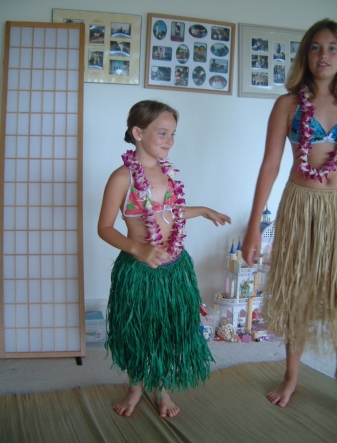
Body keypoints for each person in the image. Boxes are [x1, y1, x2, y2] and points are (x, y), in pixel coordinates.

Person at [98, 100, 231, 418]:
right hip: (140, 270)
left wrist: (201, 210)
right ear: (138, 133)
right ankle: (135, 387)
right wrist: (137, 248)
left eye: (173, 134)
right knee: (140, 332)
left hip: (175, 269)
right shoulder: (122, 178)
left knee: (170, 331)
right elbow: (104, 228)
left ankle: (163, 389)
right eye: (162, 132)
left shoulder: (167, 173)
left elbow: (169, 213)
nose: (169, 140)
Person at [242, 18, 337, 408]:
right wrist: (253, 227)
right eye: (315, 47)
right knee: (298, 293)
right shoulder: (288, 104)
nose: (324, 55)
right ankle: (291, 376)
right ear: (304, 55)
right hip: (299, 205)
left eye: (333, 47)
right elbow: (269, 166)